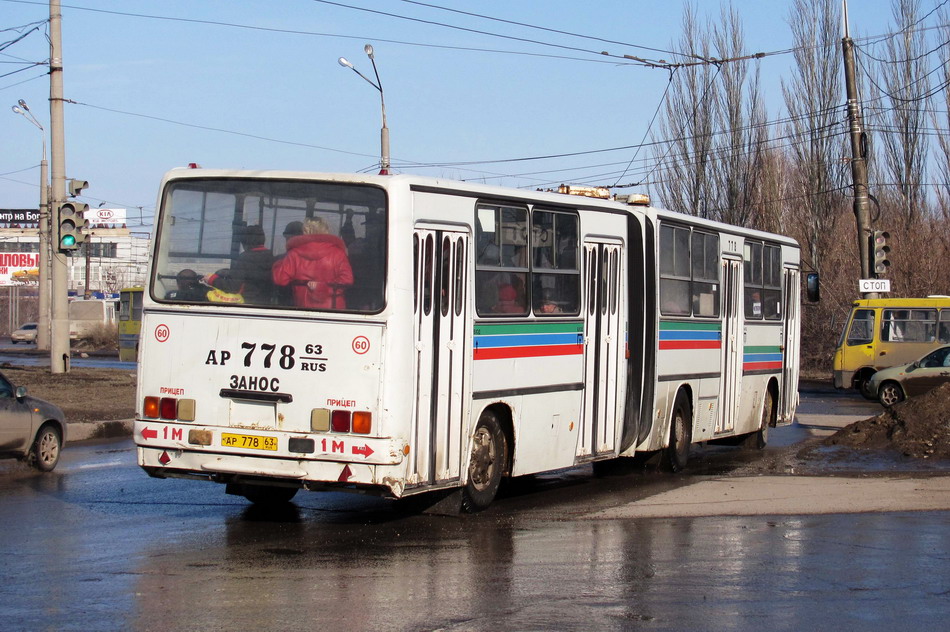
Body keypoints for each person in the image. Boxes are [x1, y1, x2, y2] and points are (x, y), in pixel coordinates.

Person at [272, 217, 353, 309]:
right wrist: (324, 288)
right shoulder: (338, 253)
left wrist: (279, 262)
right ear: (325, 230)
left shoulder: (294, 253)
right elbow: (347, 280)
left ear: (305, 231)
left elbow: (280, 279)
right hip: (334, 310)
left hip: (304, 308)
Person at [231, 224, 274, 305]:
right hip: (266, 303)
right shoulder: (271, 256)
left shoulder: (244, 258)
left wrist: (213, 279)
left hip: (246, 303)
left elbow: (234, 286)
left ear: (245, 242)